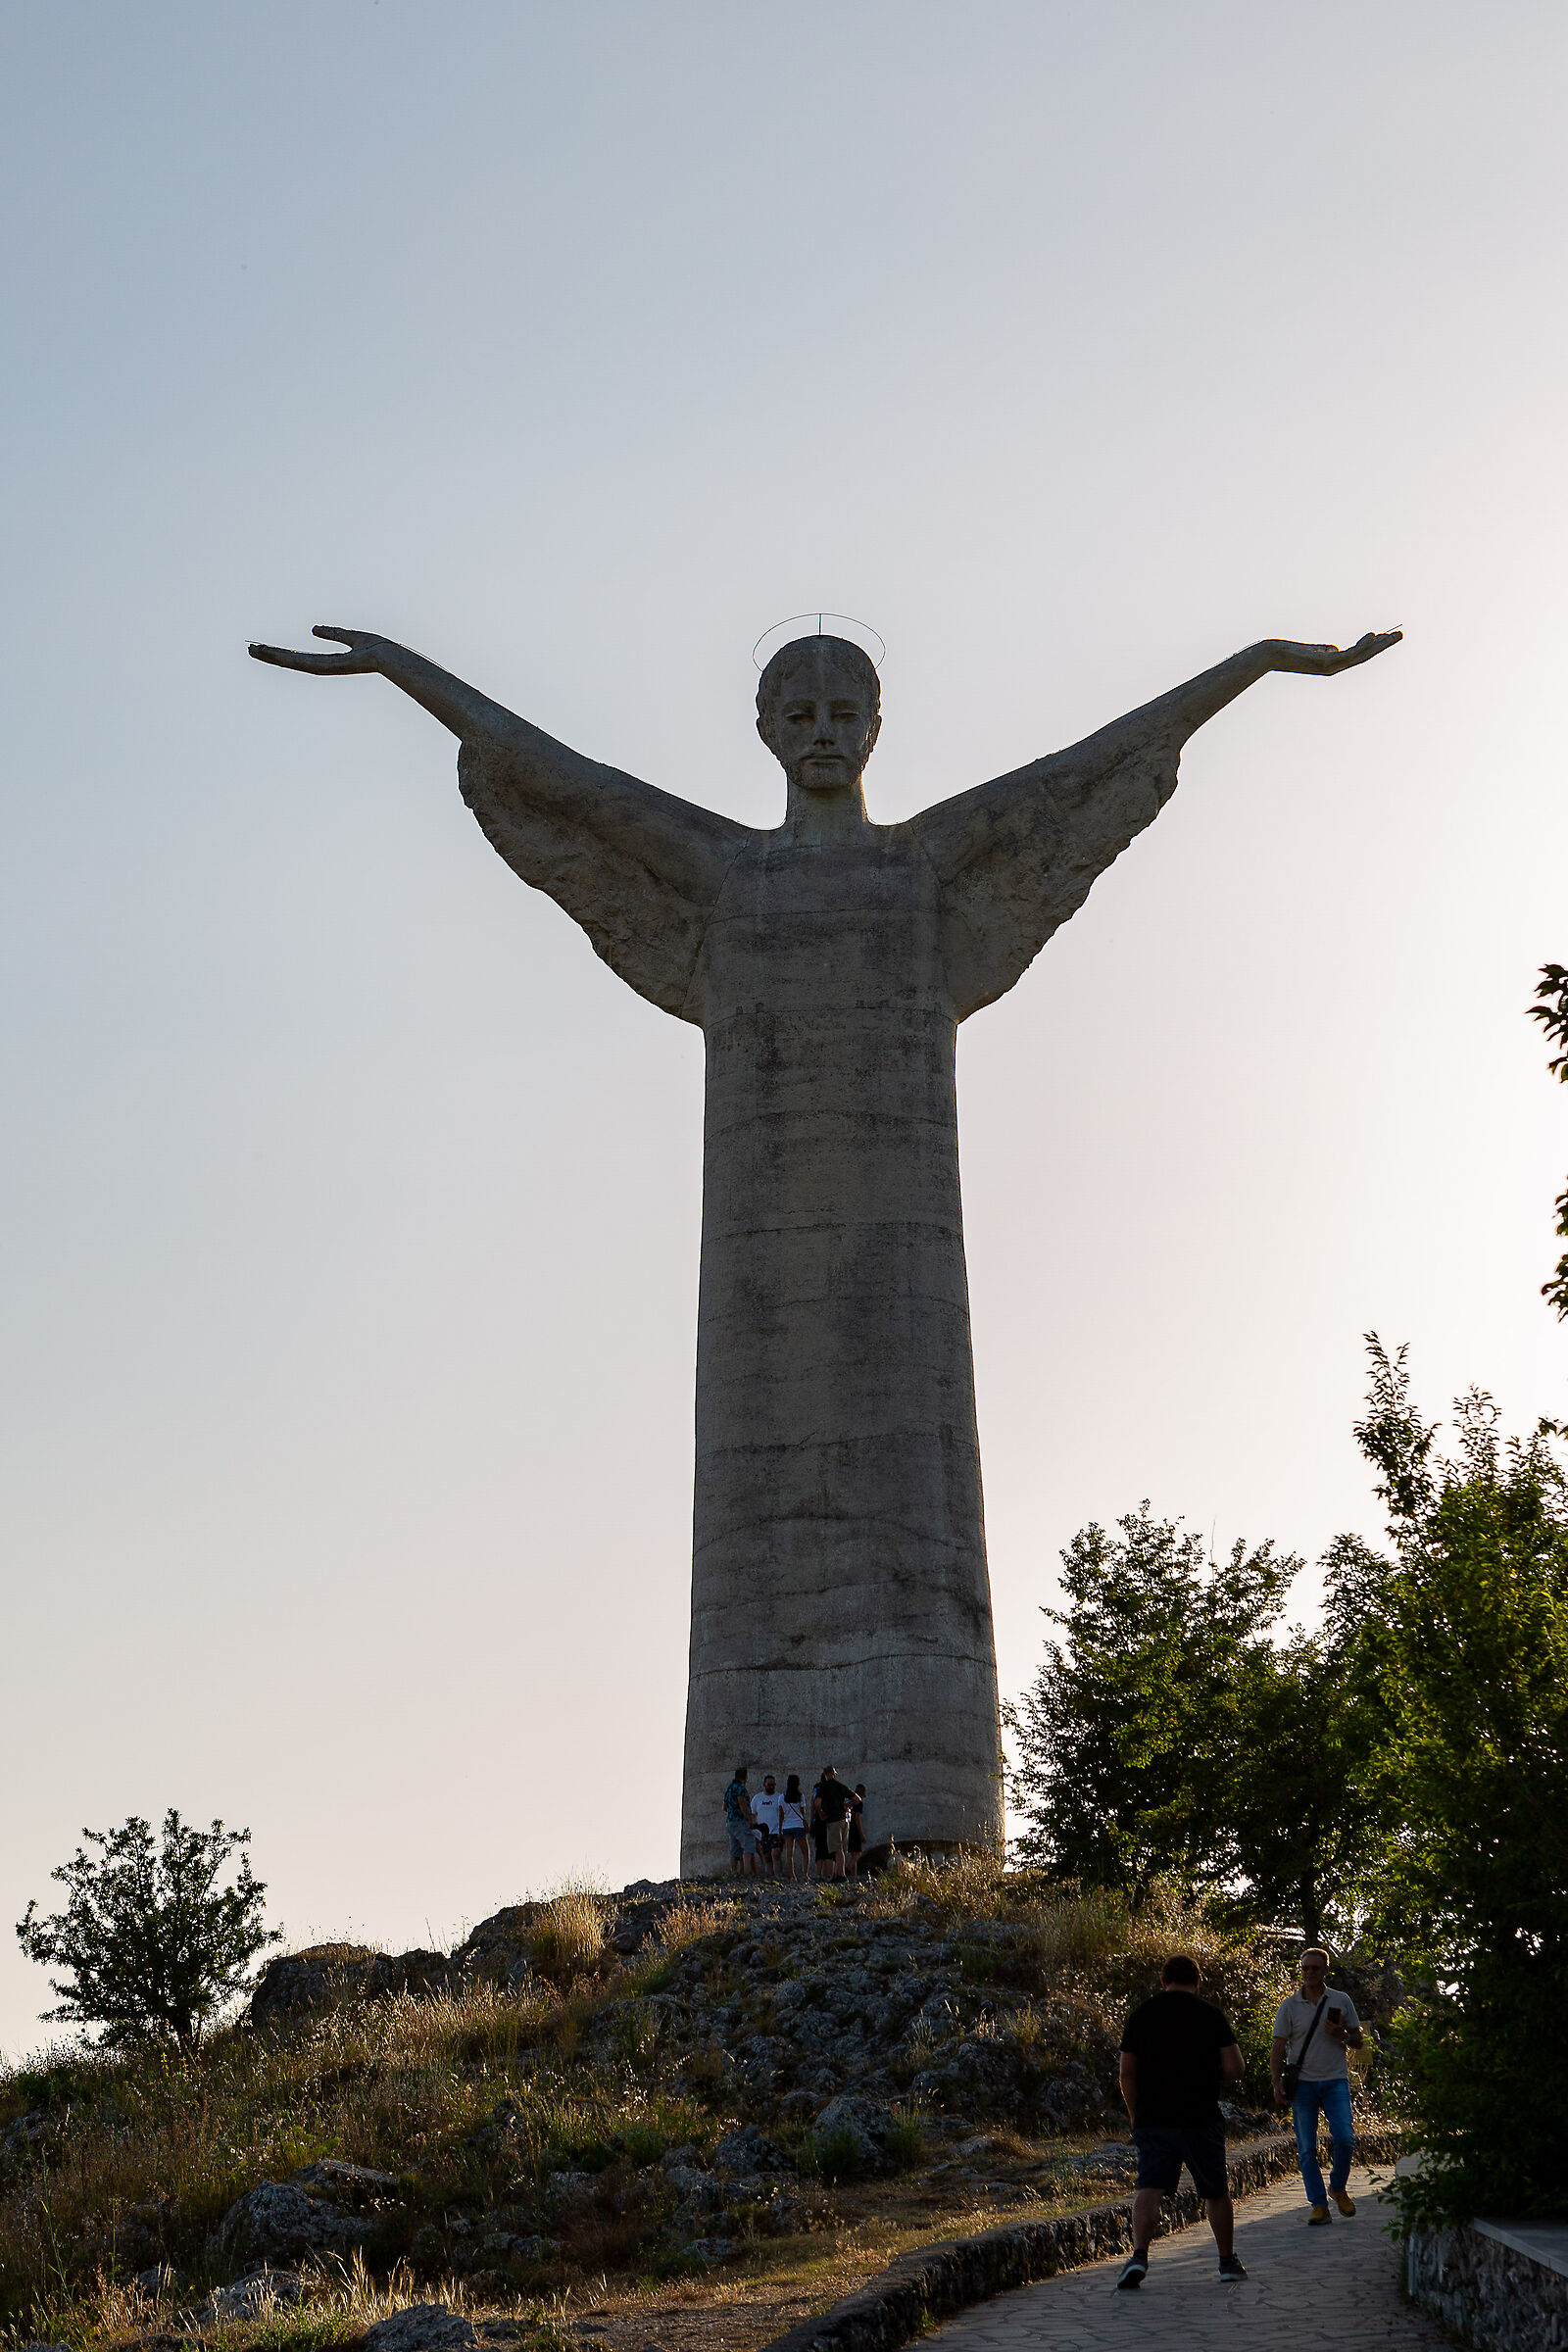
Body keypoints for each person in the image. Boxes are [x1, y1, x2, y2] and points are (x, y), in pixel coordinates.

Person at [1116, 1954, 1248, 2290]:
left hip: (1154, 2118)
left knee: (1150, 2188)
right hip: (1200, 2116)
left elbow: (1126, 2072)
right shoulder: (1210, 2014)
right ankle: (1227, 2262)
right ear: (1197, 1981)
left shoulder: (1141, 2014)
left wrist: (1135, 2115)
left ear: (1163, 1981)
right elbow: (1235, 2068)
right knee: (1215, 2191)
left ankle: (1139, 2256)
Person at [1271, 1947, 1364, 2224]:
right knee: (1307, 2148)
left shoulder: (1341, 2000)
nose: (1309, 1973)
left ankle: (1337, 2186)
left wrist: (1343, 2034)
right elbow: (1277, 2047)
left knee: (1345, 2138)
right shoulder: (1289, 2005)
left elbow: (1359, 2041)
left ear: (1326, 1970)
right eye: (1305, 1969)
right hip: (1303, 2085)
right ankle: (1319, 2205)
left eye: (1315, 1968)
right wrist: (1276, 2083)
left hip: (1335, 2080)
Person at [815, 1765, 854, 1881]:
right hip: (844, 1819)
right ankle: (839, 1873)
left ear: (825, 1774)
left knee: (836, 1848)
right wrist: (847, 1805)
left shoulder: (824, 1787)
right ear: (833, 1773)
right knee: (841, 1848)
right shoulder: (841, 1786)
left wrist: (821, 1813)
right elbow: (857, 1798)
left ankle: (841, 1875)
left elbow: (817, 1803)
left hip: (833, 1820)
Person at [723, 1764, 758, 1877]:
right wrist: (749, 1818)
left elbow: (724, 1807)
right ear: (745, 1777)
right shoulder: (740, 1788)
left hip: (730, 1821)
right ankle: (747, 1872)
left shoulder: (728, 1788)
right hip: (740, 1821)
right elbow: (742, 1804)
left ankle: (734, 1872)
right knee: (748, 1845)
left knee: (734, 1849)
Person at [751, 1773, 786, 1879]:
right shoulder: (757, 1798)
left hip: (776, 1830)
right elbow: (752, 1814)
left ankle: (777, 1875)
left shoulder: (779, 1797)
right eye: (769, 1784)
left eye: (773, 1785)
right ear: (764, 1784)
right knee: (766, 1856)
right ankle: (769, 1876)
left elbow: (783, 1814)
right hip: (763, 1833)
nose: (771, 1787)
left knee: (776, 1853)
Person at [779, 1775, 809, 1881]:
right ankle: (804, 1874)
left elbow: (781, 1815)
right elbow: (803, 1812)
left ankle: (792, 1876)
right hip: (798, 1825)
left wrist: (780, 1830)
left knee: (789, 1853)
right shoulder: (800, 1796)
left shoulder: (782, 1797)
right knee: (805, 1852)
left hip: (787, 1826)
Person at [845, 1784, 866, 1875]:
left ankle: (854, 1875)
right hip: (855, 1829)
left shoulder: (851, 1802)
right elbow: (857, 1818)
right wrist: (861, 1834)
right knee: (858, 1853)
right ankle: (848, 1868)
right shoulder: (859, 1803)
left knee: (853, 1853)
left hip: (849, 1827)